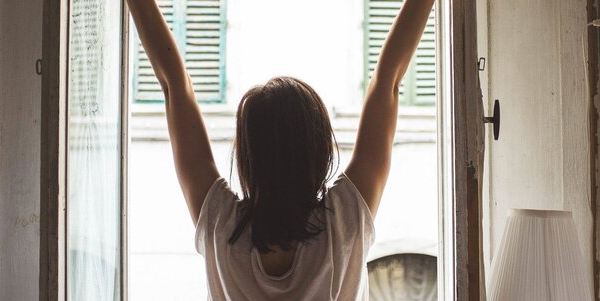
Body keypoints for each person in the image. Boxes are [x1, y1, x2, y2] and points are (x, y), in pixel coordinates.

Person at [126, 0, 435, 299]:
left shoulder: (220, 228)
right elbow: (388, 82)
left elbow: (174, 86)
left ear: (247, 157)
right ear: (322, 152)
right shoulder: (345, 223)